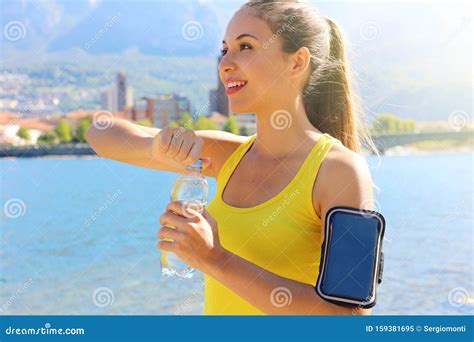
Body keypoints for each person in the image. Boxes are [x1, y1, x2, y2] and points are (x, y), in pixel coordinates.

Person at [86, 0, 377, 315]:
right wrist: (153, 149)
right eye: (224, 49)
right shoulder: (229, 157)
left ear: (297, 62)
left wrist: (214, 259)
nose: (225, 63)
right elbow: (99, 133)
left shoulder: (340, 171)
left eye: (246, 46)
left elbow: (349, 315)